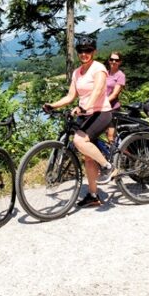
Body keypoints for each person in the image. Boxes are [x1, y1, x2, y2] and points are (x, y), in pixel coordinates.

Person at [43, 35, 117, 208]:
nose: (84, 54)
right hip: (85, 114)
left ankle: (107, 166)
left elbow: (98, 90)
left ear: (94, 52)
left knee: (78, 140)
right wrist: (52, 105)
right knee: (88, 156)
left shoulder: (98, 68)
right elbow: (70, 96)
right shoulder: (77, 72)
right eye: (81, 51)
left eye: (88, 50)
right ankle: (93, 195)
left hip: (100, 112)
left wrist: (86, 107)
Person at [106, 52, 126, 143]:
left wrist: (102, 102)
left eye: (116, 60)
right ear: (108, 60)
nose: (113, 61)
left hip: (113, 108)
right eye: (111, 59)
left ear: (120, 62)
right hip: (102, 108)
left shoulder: (120, 75)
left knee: (111, 136)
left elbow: (114, 94)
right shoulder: (106, 73)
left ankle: (117, 156)